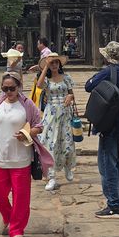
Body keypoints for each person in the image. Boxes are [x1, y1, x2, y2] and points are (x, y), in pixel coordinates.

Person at [0, 73, 52, 237]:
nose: (8, 92)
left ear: (19, 87)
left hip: (20, 158)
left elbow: (39, 126)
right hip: (0, 156)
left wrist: (27, 133)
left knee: (21, 197)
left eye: (12, 88)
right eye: (5, 89)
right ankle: (8, 217)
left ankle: (16, 228)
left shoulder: (27, 105)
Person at [86, 41, 119, 219]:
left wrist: (112, 110)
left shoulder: (108, 72)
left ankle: (114, 206)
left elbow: (88, 85)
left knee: (108, 167)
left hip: (111, 129)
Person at [38, 55, 77, 191]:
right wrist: (45, 68)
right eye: (51, 63)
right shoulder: (47, 80)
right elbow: (39, 85)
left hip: (65, 113)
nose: (54, 65)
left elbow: (72, 94)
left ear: (60, 64)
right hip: (51, 114)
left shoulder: (66, 78)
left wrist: (70, 96)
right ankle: (52, 176)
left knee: (67, 142)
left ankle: (68, 167)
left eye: (56, 62)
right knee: (50, 143)